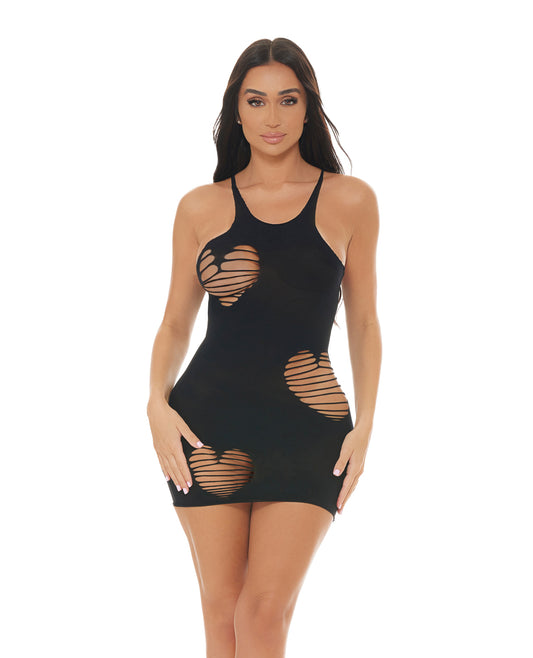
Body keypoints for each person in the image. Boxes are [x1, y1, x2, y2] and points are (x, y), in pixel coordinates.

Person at [147, 37, 382, 658]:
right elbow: (175, 323)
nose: (272, 117)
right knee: (221, 613)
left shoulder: (351, 200)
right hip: (207, 423)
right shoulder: (199, 207)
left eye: (288, 100)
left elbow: (364, 322)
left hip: (309, 425)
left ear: (309, 108)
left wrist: (366, 425)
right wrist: (155, 404)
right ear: (236, 110)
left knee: (262, 612)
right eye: (256, 101)